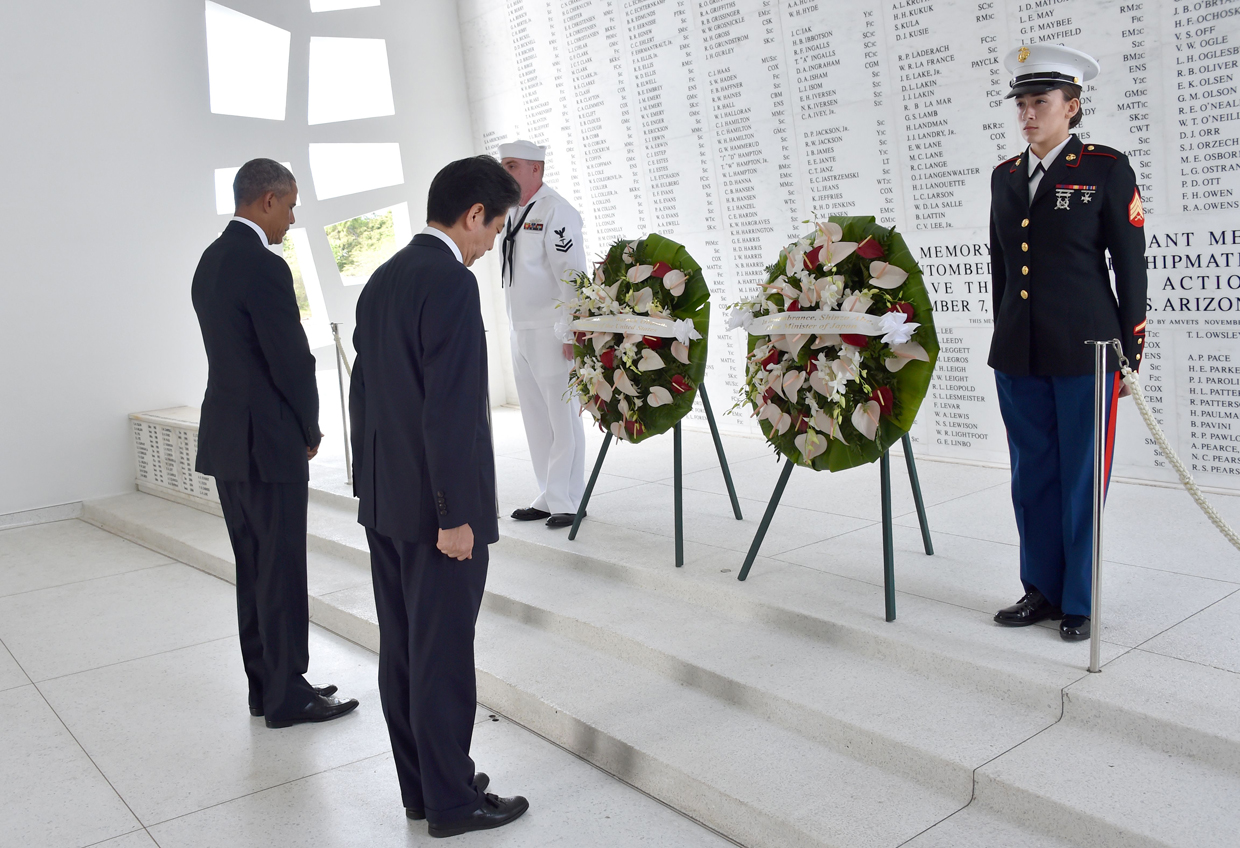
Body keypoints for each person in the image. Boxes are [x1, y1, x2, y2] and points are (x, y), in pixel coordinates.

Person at [349, 156, 528, 837]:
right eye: (494, 226)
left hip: (387, 502)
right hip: (436, 513)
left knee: (403, 650)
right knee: (444, 656)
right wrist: (456, 517)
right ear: (473, 213)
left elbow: (363, 396)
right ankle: (455, 804)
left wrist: (370, 490)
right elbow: (449, 413)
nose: (489, 244)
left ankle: (425, 789)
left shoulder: (383, 279)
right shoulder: (450, 284)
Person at [988, 46, 1148, 641]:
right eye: (1022, 104)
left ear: (1072, 107)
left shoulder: (1105, 168)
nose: (1028, 114)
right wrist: (1005, 332)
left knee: (1082, 477)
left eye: (1041, 103)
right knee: (1031, 476)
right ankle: (1041, 590)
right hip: (1019, 352)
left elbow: (1130, 267)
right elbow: (1002, 269)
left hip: (1088, 349)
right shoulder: (1005, 177)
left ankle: (1079, 599)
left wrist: (1129, 355)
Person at [192, 158, 359, 726]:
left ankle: (267, 686)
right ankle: (289, 695)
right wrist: (310, 428)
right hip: (267, 440)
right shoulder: (263, 265)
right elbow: (289, 358)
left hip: (227, 438)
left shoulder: (210, 261)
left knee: (254, 565)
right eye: (288, 205)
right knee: (281, 568)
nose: (290, 218)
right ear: (265, 200)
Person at [499, 140, 588, 528]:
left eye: (512, 165)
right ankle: (546, 492)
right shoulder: (511, 212)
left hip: (553, 329)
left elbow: (572, 274)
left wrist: (571, 328)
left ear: (536, 169)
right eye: (503, 165)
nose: (505, 172)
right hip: (521, 328)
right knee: (535, 415)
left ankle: (569, 498)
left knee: (561, 415)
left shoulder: (557, 211)